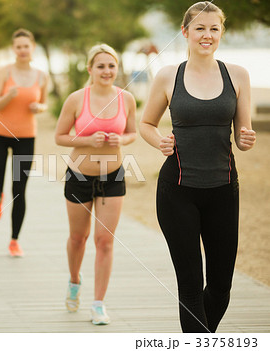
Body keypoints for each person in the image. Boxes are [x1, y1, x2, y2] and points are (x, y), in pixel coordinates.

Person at [139, 1, 256, 333]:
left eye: (214, 28)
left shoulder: (238, 75)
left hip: (223, 189)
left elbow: (242, 134)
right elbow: (146, 123)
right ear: (185, 31)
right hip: (177, 192)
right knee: (190, 286)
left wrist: (247, 140)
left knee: (220, 288)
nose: (207, 35)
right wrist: (158, 139)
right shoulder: (167, 76)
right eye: (200, 28)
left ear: (222, 32)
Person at [55, 44, 137, 325]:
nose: (107, 71)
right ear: (90, 69)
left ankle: (98, 304)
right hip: (79, 176)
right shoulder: (77, 99)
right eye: (101, 66)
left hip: (112, 176)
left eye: (111, 66)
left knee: (105, 242)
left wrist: (121, 140)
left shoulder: (126, 98)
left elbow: (132, 132)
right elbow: (60, 136)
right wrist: (87, 141)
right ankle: (75, 281)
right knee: (79, 238)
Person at [0, 29, 48, 257]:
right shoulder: (3, 73)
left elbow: (43, 103)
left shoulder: (42, 76)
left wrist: (39, 108)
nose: (23, 50)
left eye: (26, 46)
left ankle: (14, 240)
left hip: (26, 137)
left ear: (32, 47)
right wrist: (8, 97)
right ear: (13, 49)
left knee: (19, 189)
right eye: (18, 47)